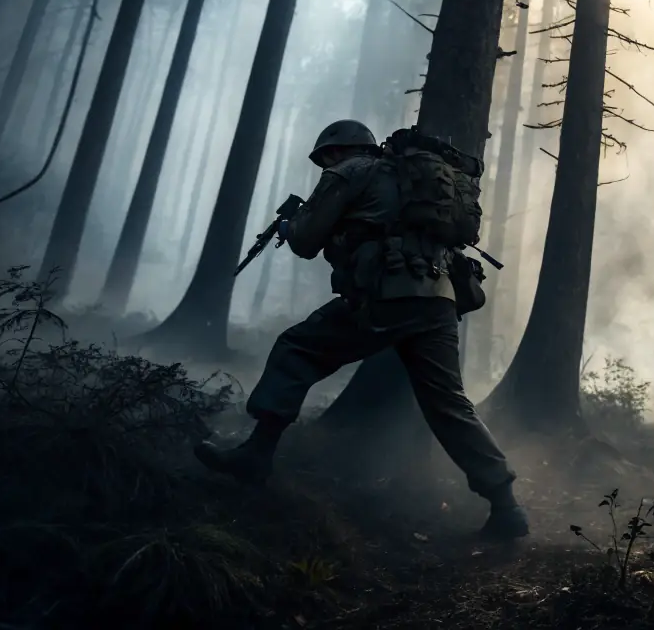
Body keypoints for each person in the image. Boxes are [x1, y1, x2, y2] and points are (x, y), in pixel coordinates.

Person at [193, 120, 528, 539]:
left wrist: (289, 225)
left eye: (325, 159)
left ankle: (255, 455)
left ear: (337, 151)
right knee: (449, 404)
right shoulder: (405, 177)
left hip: (386, 297)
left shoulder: (351, 171)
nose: (325, 166)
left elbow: (306, 240)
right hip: (438, 300)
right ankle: (506, 505)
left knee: (296, 348)